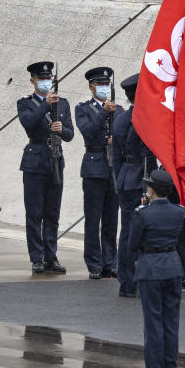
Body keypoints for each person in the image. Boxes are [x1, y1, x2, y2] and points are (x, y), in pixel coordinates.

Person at [130, 169, 185, 368]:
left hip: (151, 268)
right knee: (171, 323)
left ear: (151, 190)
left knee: (153, 323)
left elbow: (132, 244)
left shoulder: (142, 213)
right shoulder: (178, 211)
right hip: (172, 266)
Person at [17, 61, 74, 274]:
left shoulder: (63, 103)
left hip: (55, 159)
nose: (46, 82)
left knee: (52, 212)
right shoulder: (26, 103)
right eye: (41, 79)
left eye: (48, 78)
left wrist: (62, 129)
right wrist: (45, 105)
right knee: (34, 212)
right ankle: (36, 256)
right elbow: (29, 123)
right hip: (35, 159)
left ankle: (51, 255)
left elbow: (70, 133)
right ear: (33, 81)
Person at [74, 67, 121, 280]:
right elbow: (87, 131)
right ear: (91, 86)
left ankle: (110, 262)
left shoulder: (119, 110)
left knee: (111, 218)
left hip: (113, 167)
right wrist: (104, 112)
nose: (104, 88)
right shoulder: (84, 108)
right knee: (93, 218)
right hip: (94, 165)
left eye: (106, 84)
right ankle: (94, 262)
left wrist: (116, 141)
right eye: (100, 84)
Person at [112, 73, 156, 296]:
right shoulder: (145, 119)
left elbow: (116, 157)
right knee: (140, 232)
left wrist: (121, 179)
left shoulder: (120, 119)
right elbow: (149, 155)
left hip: (126, 178)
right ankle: (134, 280)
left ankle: (125, 280)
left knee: (127, 230)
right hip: (142, 178)